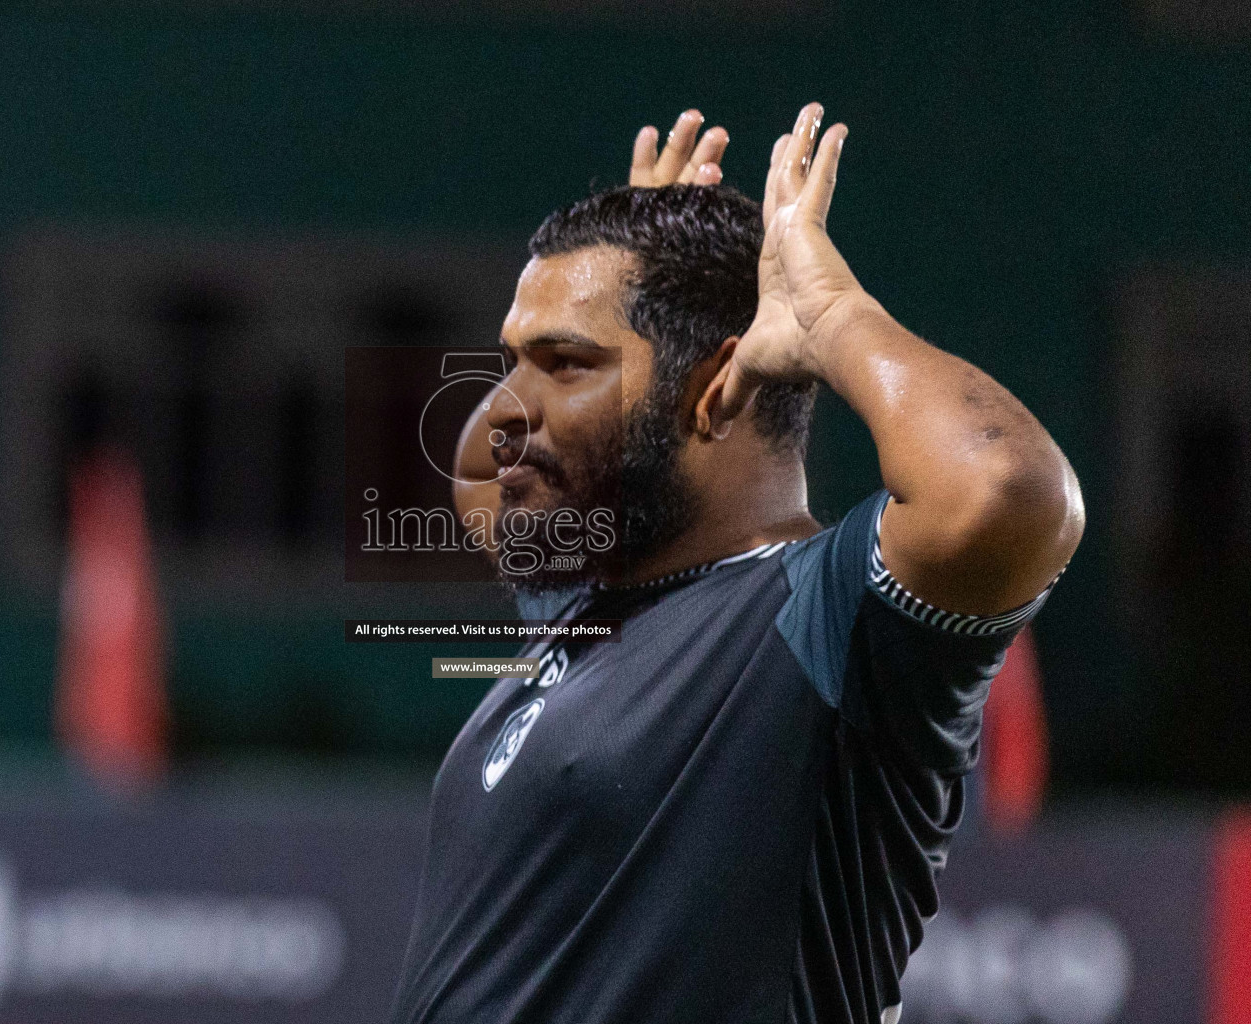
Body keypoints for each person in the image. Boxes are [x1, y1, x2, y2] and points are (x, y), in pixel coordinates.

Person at [392, 105, 1084, 1024]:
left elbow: (1008, 489)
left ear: (712, 385)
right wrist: (627, 260)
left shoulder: (824, 615)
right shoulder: (587, 593)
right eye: (515, 361)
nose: (512, 406)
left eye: (565, 364)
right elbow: (480, 477)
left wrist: (832, 317)